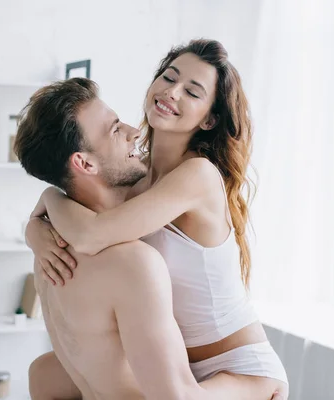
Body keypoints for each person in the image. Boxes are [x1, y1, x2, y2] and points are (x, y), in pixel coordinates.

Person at [25, 39, 289, 398]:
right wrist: (37, 224)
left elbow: (91, 235)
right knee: (46, 371)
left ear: (209, 119)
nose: (172, 92)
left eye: (192, 92)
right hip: (173, 359)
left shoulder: (198, 176)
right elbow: (81, 193)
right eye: (168, 77)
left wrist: (48, 200)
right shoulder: (135, 177)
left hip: (235, 366)